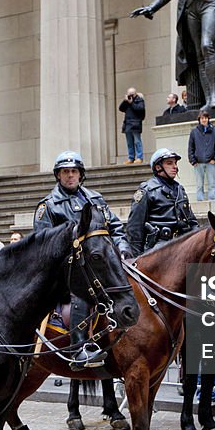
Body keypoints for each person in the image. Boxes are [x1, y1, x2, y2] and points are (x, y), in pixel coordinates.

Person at [35, 150, 133, 370]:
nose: (70, 176)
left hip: (99, 265)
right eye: (65, 172)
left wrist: (124, 250)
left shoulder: (95, 199)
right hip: (66, 271)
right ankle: (78, 348)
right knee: (81, 289)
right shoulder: (48, 206)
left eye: (74, 171)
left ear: (81, 175)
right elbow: (42, 247)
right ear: (58, 176)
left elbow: (116, 228)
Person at [127, 148, 199, 255]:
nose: (175, 166)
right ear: (158, 167)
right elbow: (135, 227)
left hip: (182, 245)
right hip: (158, 248)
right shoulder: (147, 190)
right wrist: (136, 258)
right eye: (169, 163)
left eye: (175, 163)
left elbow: (191, 221)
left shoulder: (180, 190)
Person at [188, 110, 215, 201]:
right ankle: (200, 201)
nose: (204, 120)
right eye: (202, 118)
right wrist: (193, 160)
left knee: (212, 183)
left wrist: (214, 159)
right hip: (198, 162)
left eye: (205, 118)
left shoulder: (214, 131)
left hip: (210, 162)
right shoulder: (194, 132)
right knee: (199, 184)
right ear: (199, 119)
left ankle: (212, 199)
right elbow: (191, 147)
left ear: (208, 119)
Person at [119, 88, 146, 163]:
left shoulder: (139, 100)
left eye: (132, 94)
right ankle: (131, 158)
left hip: (136, 124)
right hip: (128, 124)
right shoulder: (127, 101)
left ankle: (139, 157)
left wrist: (131, 103)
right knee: (129, 143)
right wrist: (125, 101)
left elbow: (140, 109)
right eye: (129, 94)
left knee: (137, 142)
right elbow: (121, 108)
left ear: (135, 94)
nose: (130, 96)